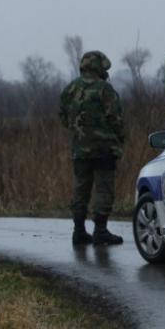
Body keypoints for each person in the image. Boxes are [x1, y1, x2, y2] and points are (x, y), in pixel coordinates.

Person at [58, 50, 125, 246]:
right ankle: (100, 230)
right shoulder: (104, 89)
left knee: (81, 187)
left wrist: (78, 132)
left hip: (79, 148)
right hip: (104, 148)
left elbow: (63, 117)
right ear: (99, 68)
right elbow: (116, 118)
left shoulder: (70, 89)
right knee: (103, 188)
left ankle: (79, 231)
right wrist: (119, 138)